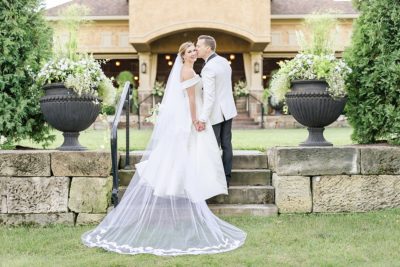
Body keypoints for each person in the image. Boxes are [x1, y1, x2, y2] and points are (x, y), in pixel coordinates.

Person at [81, 42, 246, 256]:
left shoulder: (194, 68)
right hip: (189, 118)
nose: (194, 52)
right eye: (189, 51)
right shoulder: (187, 71)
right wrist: (197, 120)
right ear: (183, 56)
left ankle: (189, 185)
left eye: (195, 49)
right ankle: (182, 187)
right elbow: (191, 100)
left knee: (192, 155)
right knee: (187, 154)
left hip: (192, 117)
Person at [195, 35, 238, 188]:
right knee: (227, 144)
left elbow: (210, 96)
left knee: (213, 148)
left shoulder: (208, 68)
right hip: (228, 110)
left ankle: (215, 181)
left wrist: (203, 118)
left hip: (215, 114)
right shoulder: (224, 61)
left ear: (208, 48)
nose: (196, 48)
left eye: (199, 46)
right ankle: (226, 178)